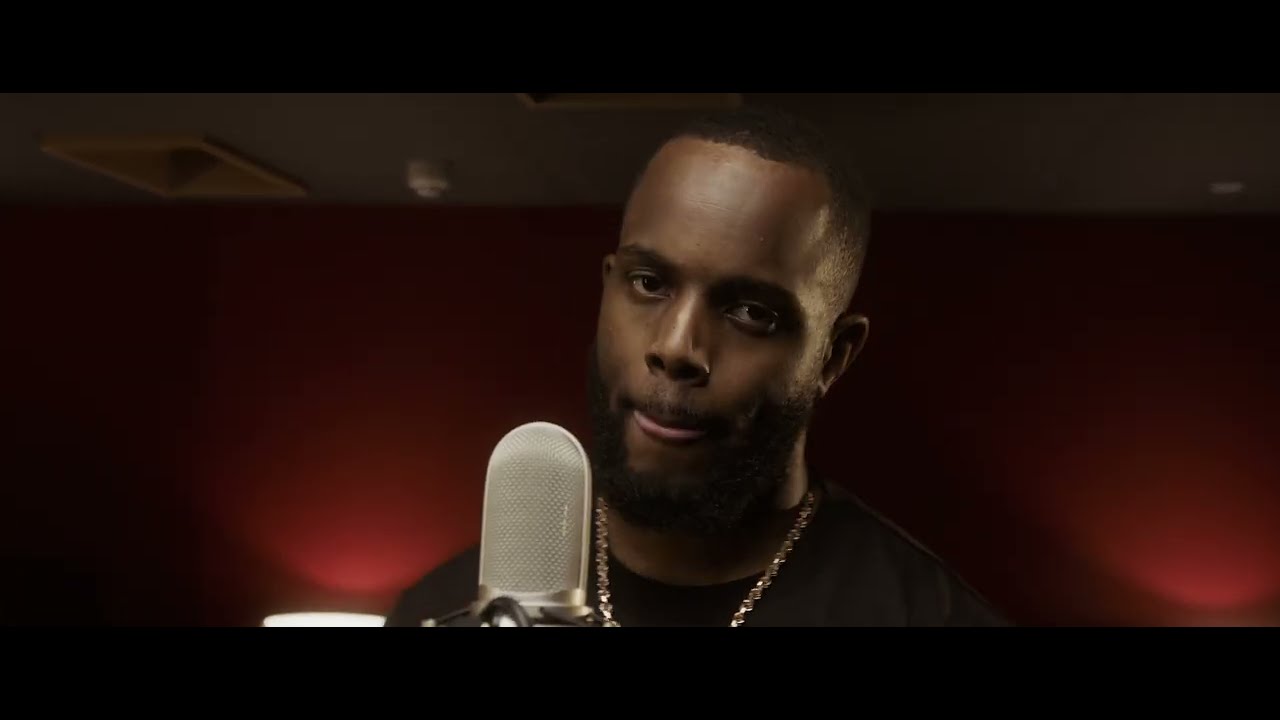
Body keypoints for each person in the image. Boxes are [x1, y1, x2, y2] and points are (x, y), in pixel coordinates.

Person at [385, 105, 1009, 627]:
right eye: (649, 283)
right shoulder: (442, 611)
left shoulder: (930, 616)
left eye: (751, 313)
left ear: (834, 355)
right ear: (607, 288)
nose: (677, 347)